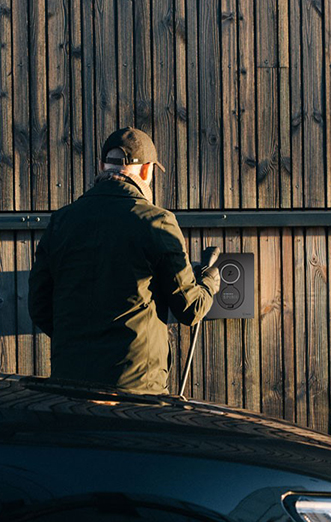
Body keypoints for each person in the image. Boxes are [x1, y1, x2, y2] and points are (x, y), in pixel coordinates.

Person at [28, 127, 220, 394]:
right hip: (136, 392)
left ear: (101, 165)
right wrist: (209, 280)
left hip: (70, 385)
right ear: (146, 170)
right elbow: (190, 309)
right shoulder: (157, 222)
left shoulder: (62, 221)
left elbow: (38, 306)